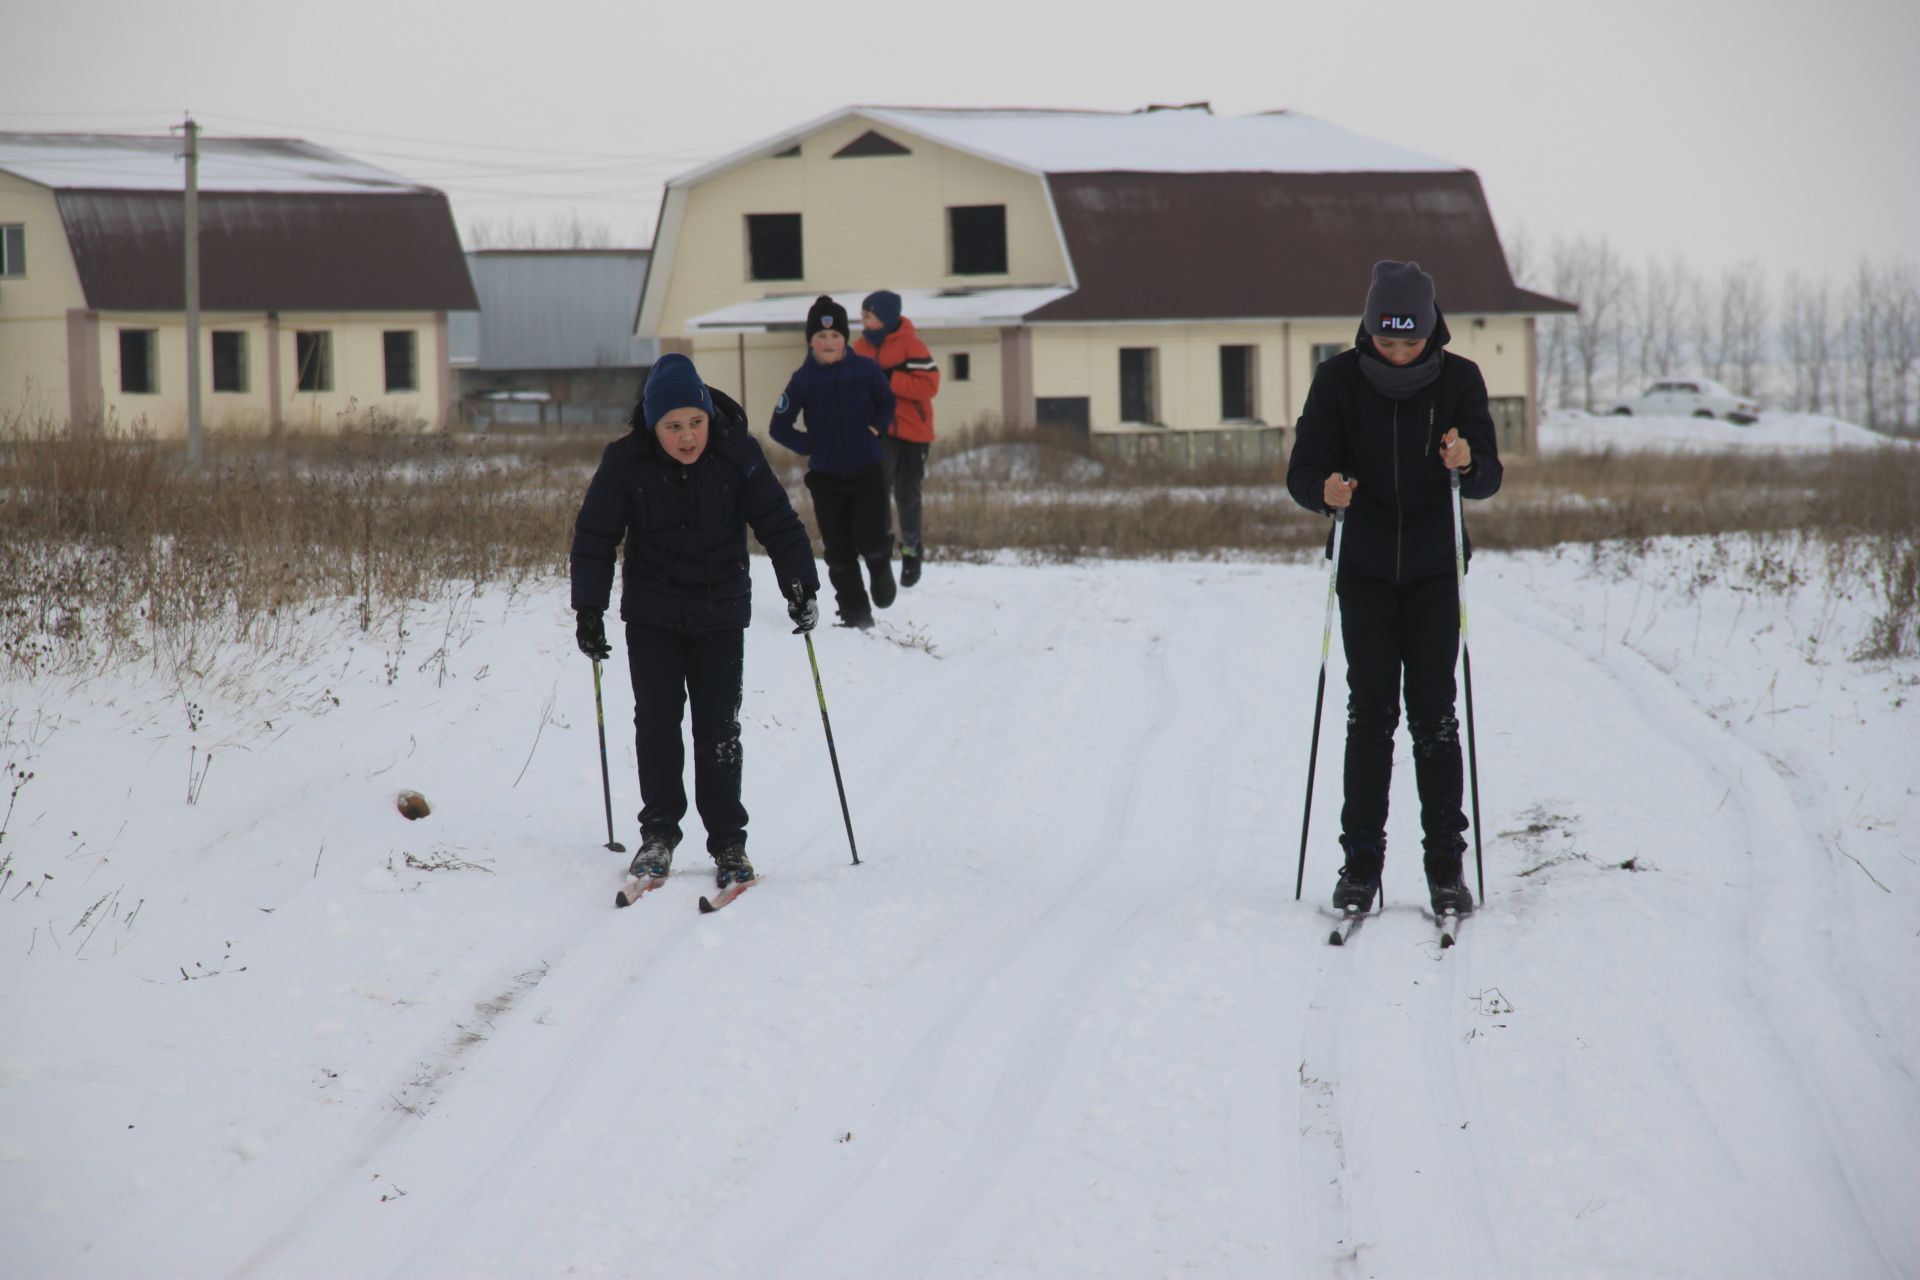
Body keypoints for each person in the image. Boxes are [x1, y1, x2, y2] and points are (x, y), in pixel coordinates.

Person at [1285, 260, 1502, 917]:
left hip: (1436, 571)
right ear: (1369, 329)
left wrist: (1468, 462)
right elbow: (1303, 471)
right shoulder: (1338, 381)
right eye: (1388, 342)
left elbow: (1488, 475)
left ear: (1431, 331)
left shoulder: (1459, 380)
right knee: (1370, 715)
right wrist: (1324, 490)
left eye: (1411, 342)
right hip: (1366, 571)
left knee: (1435, 717)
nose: (1401, 354)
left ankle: (1446, 872)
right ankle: (1359, 868)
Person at [570, 353, 820, 890]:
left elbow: (778, 522)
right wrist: (588, 607)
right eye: (673, 426)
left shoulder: (737, 454)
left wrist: (801, 584)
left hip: (719, 611)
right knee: (657, 724)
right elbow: (594, 537)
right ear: (653, 425)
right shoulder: (625, 462)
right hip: (652, 614)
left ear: (709, 415)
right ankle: (658, 834)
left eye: (695, 423)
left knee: (718, 729)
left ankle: (729, 841)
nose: (687, 437)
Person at [769, 295, 898, 628]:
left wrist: (875, 428)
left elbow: (887, 403)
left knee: (871, 539)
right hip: (826, 478)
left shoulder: (866, 371)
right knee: (839, 551)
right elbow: (778, 426)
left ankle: (881, 570)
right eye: (821, 336)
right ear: (810, 341)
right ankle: (856, 615)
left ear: (845, 338)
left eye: (835, 335)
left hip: (867, 470)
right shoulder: (802, 380)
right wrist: (809, 444)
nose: (828, 342)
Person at [854, 289, 941, 587]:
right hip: (880, 431)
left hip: (914, 432)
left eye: (869, 314)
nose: (863, 319)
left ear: (886, 317)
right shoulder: (859, 348)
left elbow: (929, 385)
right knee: (877, 490)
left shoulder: (911, 345)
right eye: (863, 314)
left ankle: (912, 550)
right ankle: (880, 552)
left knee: (907, 493)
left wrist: (889, 379)